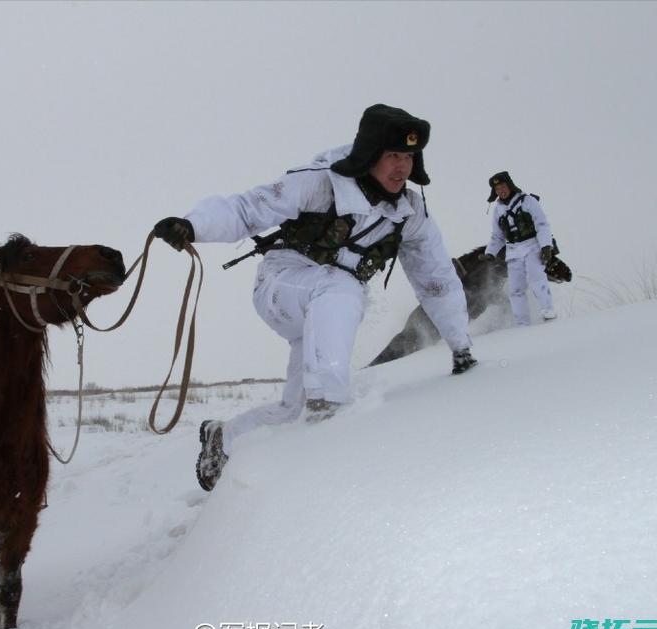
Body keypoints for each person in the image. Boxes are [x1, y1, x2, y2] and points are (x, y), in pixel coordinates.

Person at [154, 104, 475, 491]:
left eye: (408, 157)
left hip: (325, 310)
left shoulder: (410, 213)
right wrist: (193, 226)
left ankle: (225, 436)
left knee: (292, 410)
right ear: (371, 153)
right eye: (392, 155)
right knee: (342, 289)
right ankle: (331, 412)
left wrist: (460, 345)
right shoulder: (321, 183)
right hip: (281, 285)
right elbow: (248, 208)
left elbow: (435, 277)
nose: (401, 167)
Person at [480, 171, 557, 326]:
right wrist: (490, 253)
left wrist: (546, 246)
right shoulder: (498, 210)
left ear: (509, 185)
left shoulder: (527, 201)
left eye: (502, 186)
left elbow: (542, 224)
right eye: (497, 189)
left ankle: (548, 311)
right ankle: (522, 322)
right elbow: (497, 236)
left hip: (532, 246)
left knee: (537, 279)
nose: (501, 190)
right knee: (516, 290)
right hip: (513, 251)